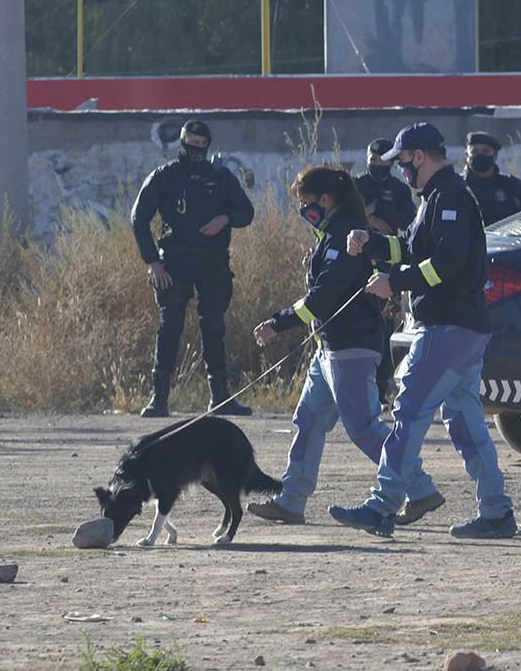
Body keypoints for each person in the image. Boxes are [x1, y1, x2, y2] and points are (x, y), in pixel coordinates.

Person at [329, 122, 517, 540]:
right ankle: (497, 511)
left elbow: (445, 264)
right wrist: (374, 243)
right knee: (465, 420)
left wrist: (392, 283)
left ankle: (382, 506)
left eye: (403, 162)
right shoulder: (436, 197)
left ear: (418, 156)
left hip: (449, 327)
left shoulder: (448, 196)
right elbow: (413, 250)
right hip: (460, 328)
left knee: (410, 411)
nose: (399, 171)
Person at [247, 166, 444, 526]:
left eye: (306, 202)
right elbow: (326, 283)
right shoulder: (332, 235)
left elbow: (322, 297)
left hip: (350, 348)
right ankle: (291, 500)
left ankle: (419, 488)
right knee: (308, 420)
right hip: (329, 349)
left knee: (365, 428)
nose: (303, 209)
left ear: (326, 199)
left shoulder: (343, 235)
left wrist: (278, 324)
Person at [131, 120, 254, 418]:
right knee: (169, 327)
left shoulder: (221, 177)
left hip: (213, 261)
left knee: (214, 327)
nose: (197, 151)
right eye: (192, 145)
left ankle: (220, 398)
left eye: (202, 145)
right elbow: (139, 219)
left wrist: (225, 218)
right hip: (174, 263)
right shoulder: (165, 177)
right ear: (182, 144)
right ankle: (158, 399)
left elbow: (246, 212)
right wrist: (154, 263)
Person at [354, 138, 417, 406]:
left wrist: (377, 211)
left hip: (388, 263)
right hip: (359, 262)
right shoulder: (356, 185)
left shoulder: (399, 190)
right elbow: (348, 215)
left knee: (385, 325)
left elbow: (408, 221)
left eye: (383, 161)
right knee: (361, 323)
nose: (377, 165)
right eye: (373, 160)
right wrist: (370, 220)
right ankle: (360, 390)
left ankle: (381, 391)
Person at [461, 131, 521, 226]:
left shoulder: (511, 186)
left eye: (486, 151)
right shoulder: (458, 187)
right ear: (467, 155)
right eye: (475, 152)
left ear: (495, 155)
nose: (480, 155)